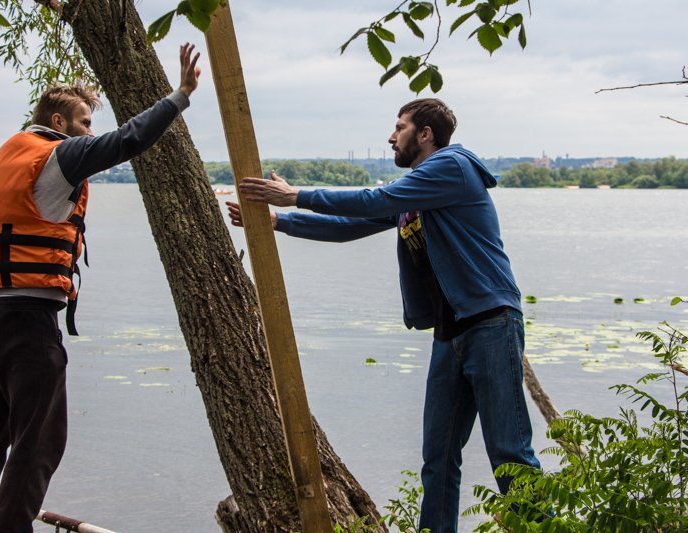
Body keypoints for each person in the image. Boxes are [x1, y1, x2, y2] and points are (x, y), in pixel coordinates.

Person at [228, 98, 541, 532]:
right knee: (438, 458)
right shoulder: (418, 189)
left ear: (425, 134)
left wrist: (297, 194)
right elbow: (352, 225)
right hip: (451, 333)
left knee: (509, 452)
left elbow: (377, 197)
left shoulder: (450, 167)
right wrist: (279, 220)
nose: (391, 137)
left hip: (490, 321)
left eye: (400, 127)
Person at [0, 43, 201, 533]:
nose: (89, 133)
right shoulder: (58, 156)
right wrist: (180, 95)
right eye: (84, 122)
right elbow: (127, 140)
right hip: (27, 322)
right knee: (39, 442)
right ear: (58, 122)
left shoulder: (6, 158)